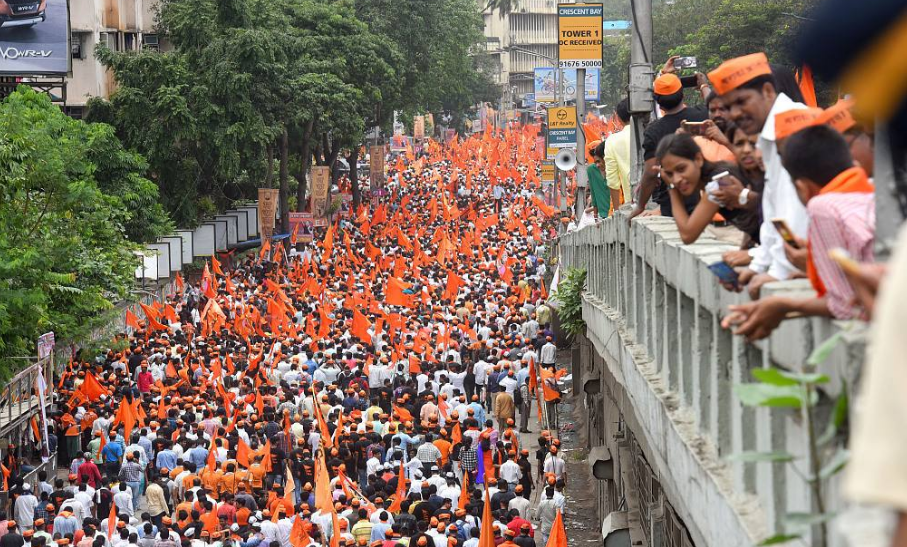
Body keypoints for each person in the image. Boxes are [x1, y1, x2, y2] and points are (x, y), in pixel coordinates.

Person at [722, 125, 875, 340]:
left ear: (802, 188)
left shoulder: (823, 207)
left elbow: (847, 306)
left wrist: (784, 304)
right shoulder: (871, 190)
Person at [708, 52, 809, 298]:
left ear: (767, 91)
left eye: (742, 102)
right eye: (729, 107)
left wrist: (778, 272)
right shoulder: (769, 135)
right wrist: (759, 264)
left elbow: (793, 216)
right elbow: (775, 213)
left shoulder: (795, 127)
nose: (734, 114)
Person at [630, 59, 711, 220]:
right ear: (682, 94)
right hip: (705, 198)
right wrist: (704, 86)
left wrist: (640, 205)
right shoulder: (703, 116)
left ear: (658, 103)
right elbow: (714, 106)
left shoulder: (654, 131)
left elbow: (651, 173)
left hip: (672, 206)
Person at [655, 133, 761, 245]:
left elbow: (688, 235)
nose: (676, 179)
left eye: (681, 169)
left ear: (698, 159)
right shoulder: (718, 171)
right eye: (669, 174)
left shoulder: (719, 183)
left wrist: (672, 188)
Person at [604, 98, 632, 207]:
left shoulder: (612, 141)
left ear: (618, 119)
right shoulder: (654, 132)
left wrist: (616, 211)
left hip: (632, 203)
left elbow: (613, 181)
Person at [586, 140, 611, 219]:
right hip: (602, 213)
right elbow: (593, 192)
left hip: (615, 209)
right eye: (593, 152)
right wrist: (595, 215)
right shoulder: (591, 170)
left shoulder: (612, 165)